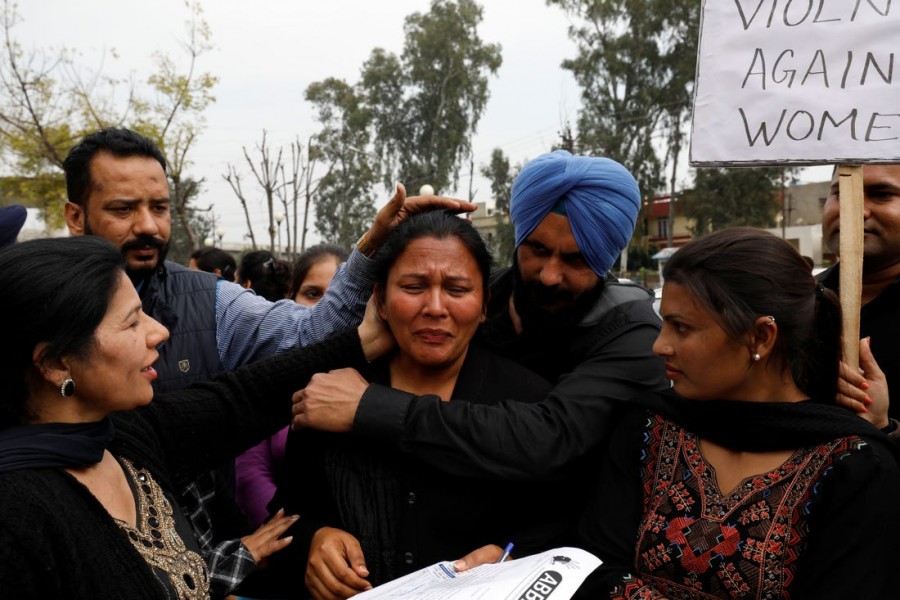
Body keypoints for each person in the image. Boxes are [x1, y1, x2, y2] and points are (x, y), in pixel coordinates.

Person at [61, 127, 474, 596]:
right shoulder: (33, 495)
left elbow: (285, 362)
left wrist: (372, 255)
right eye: (123, 209)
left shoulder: (208, 302)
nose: (149, 227)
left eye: (158, 207)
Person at [291, 150, 668, 562]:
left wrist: (370, 408)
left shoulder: (632, 333)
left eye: (576, 260)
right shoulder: (471, 301)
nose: (549, 275)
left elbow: (548, 442)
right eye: (537, 249)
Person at [0, 235, 380, 599]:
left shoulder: (126, 439)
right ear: (54, 363)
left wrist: (370, 327)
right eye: (132, 323)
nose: (159, 331)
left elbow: (247, 395)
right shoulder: (17, 517)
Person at [573, 228, 900, 599]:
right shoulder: (649, 430)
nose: (660, 344)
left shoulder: (853, 468)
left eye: (682, 328)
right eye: (665, 323)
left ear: (761, 336)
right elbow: (594, 566)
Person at [275, 210, 554, 599]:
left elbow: (560, 528)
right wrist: (313, 541)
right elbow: (284, 517)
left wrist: (515, 560)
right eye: (413, 286)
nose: (436, 307)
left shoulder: (529, 401)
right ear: (381, 300)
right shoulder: (327, 394)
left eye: (457, 289)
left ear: (485, 303)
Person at [235, 243, 350, 529]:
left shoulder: (381, 373)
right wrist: (303, 540)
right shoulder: (267, 374)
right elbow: (251, 473)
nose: (328, 308)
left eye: (340, 296)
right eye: (313, 294)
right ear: (290, 298)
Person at [819, 164, 900, 434]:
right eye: (840, 192)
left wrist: (882, 429)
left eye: (881, 194)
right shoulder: (792, 300)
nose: (855, 209)